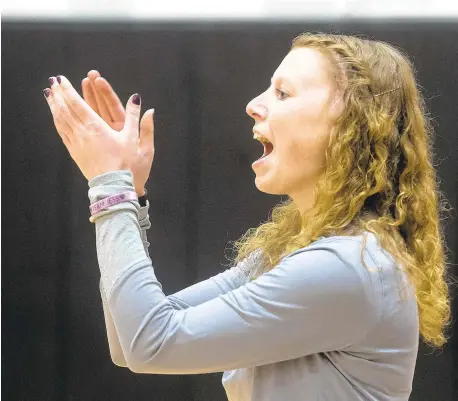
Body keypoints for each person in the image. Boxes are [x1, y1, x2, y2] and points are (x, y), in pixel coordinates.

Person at [43, 32, 452, 401]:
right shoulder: (298, 253)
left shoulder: (350, 268)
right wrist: (126, 191)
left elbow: (148, 340)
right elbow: (130, 339)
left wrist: (111, 188)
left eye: (283, 94)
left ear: (350, 123)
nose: (254, 106)